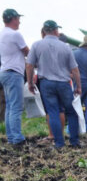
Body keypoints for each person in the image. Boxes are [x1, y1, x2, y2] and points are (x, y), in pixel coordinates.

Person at [26, 20, 81, 149]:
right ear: (56, 31)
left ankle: (59, 143)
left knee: (53, 112)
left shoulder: (36, 45)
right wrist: (79, 86)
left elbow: (29, 65)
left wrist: (30, 82)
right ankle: (74, 141)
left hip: (46, 83)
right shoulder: (65, 47)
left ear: (44, 31)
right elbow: (75, 70)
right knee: (71, 112)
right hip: (63, 83)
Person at [0, 8, 29, 146]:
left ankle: (11, 136)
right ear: (12, 19)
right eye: (18, 18)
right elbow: (27, 51)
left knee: (10, 106)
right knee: (16, 106)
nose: (19, 21)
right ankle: (17, 138)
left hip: (4, 71)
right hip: (14, 72)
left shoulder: (2, 34)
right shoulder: (15, 34)